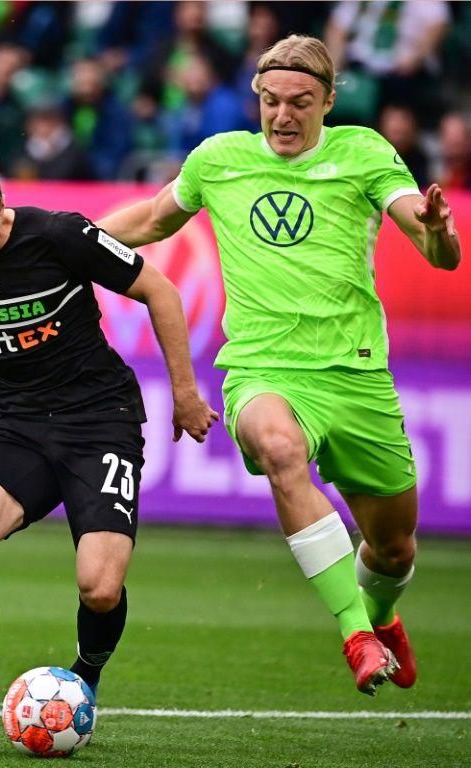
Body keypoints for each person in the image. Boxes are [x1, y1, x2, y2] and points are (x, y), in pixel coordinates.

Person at [97, 35, 461, 697]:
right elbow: (152, 220)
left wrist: (438, 230)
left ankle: (382, 616)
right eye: (270, 101)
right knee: (277, 447)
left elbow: (436, 250)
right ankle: (354, 630)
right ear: (256, 100)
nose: (283, 115)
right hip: (264, 370)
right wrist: (58, 235)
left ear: (327, 101)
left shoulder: (363, 153)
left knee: (393, 549)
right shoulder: (219, 159)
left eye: (299, 102)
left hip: (355, 377)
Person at [0, 142, 218, 750]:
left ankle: (82, 682)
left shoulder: (61, 235)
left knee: (99, 587)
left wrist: (185, 393)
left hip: (100, 421)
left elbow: (161, 290)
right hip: (22, 426)